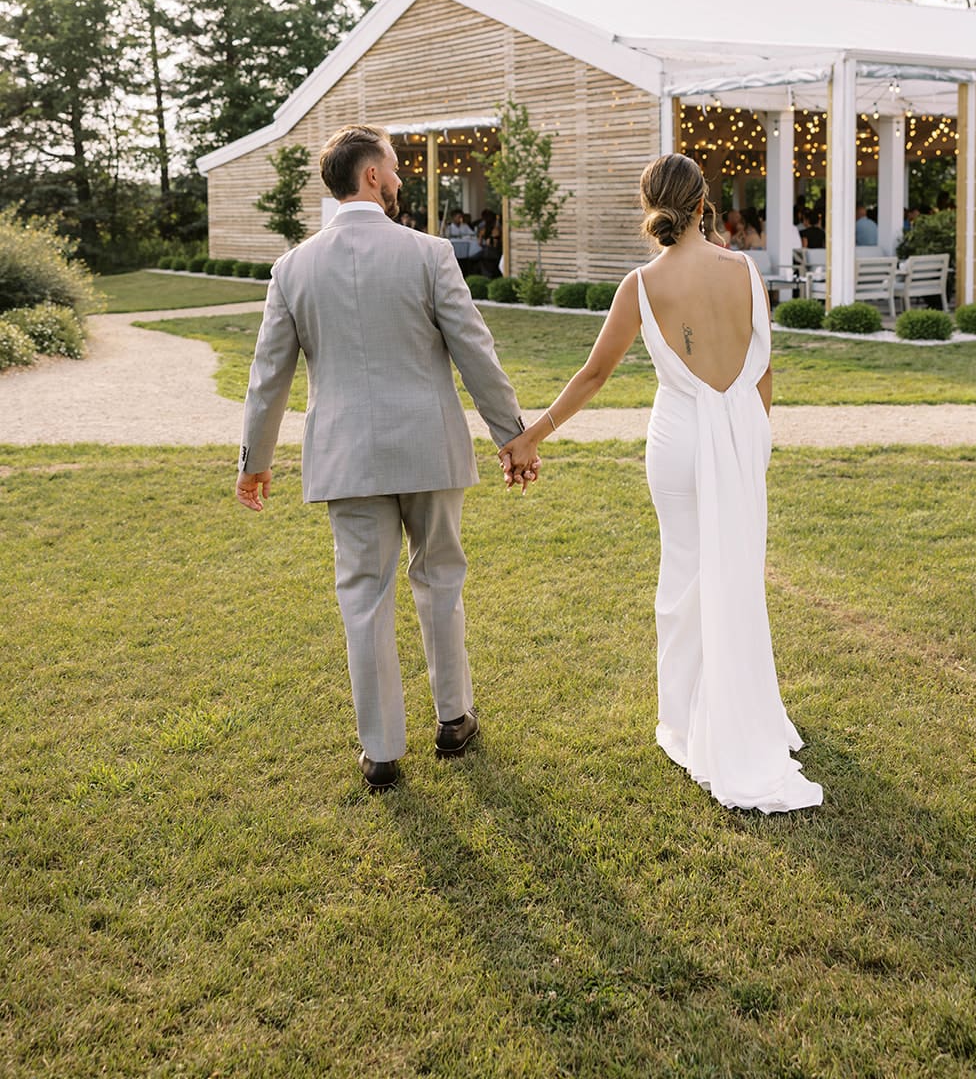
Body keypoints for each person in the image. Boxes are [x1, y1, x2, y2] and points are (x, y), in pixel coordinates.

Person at [499, 154, 822, 814]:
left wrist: (533, 434)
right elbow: (763, 365)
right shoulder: (745, 272)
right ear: (703, 204)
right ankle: (729, 716)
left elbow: (593, 376)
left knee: (684, 582)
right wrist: (751, 440)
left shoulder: (640, 285)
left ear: (649, 207)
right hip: (741, 435)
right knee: (732, 573)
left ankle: (687, 722)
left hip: (678, 444)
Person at [236, 125, 535, 794]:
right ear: (371, 176)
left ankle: (380, 752)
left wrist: (255, 458)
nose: (402, 180)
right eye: (396, 169)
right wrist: (510, 434)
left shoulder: (292, 268)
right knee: (441, 580)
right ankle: (454, 718)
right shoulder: (428, 254)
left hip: (346, 457)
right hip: (429, 447)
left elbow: (267, 377)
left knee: (363, 599)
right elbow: (473, 351)